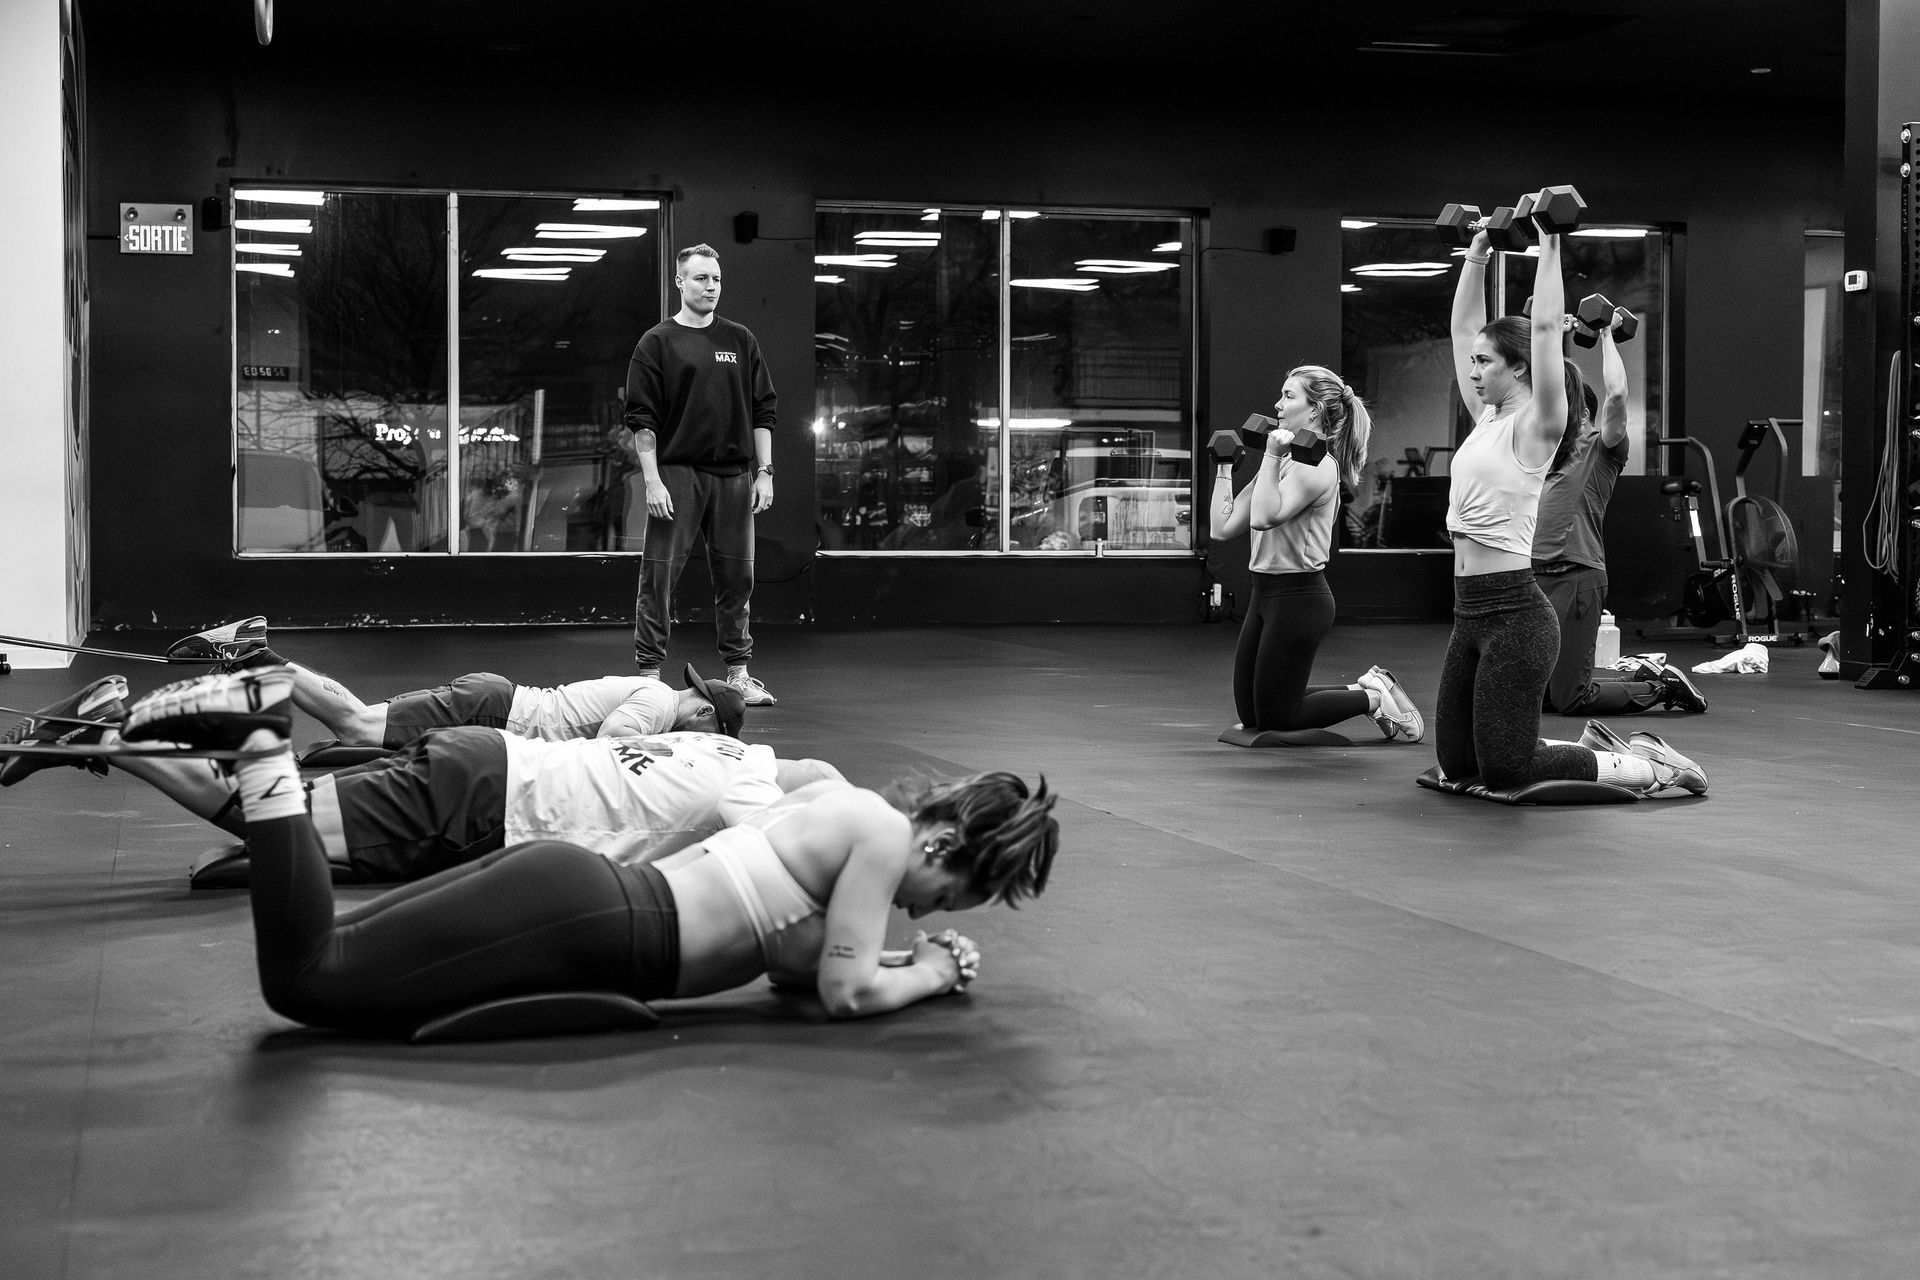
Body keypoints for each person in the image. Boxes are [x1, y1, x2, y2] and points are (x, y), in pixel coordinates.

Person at [117, 667, 1057, 1035]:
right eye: (947, 894)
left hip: (573, 889)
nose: (926, 910)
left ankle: (255, 752)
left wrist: (898, 952)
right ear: (939, 839)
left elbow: (795, 969)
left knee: (328, 957)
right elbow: (846, 994)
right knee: (308, 981)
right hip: (588, 914)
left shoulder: (833, 804)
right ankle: (262, 749)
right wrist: (927, 972)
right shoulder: (884, 840)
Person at [1441, 223, 1705, 795]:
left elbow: (1541, 328)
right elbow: (1462, 328)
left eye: (1485, 362)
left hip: (1515, 613)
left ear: (1519, 370)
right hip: (1469, 613)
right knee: (1458, 764)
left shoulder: (1538, 426)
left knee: (1507, 767)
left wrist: (1550, 240)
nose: (1473, 369)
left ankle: (1642, 765)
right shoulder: (1484, 420)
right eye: (1474, 362)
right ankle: (1576, 747)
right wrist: (1478, 256)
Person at [1208, 367, 1423, 741]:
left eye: (1289, 396)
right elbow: (1221, 527)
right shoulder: (1283, 461)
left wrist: (1271, 457)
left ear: (1314, 410)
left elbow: (1262, 518)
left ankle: (1372, 699)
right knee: (1253, 713)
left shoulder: (1316, 467)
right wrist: (1225, 468)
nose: (1277, 404)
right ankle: (1369, 688)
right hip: (1264, 594)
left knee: (1278, 716)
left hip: (1299, 600)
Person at [162, 617, 746, 749]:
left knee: (361, 722)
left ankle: (259, 655)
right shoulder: (656, 706)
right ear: (701, 717)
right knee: (359, 726)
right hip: (495, 714)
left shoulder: (664, 698)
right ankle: (256, 656)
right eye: (708, 732)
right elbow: (614, 740)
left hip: (496, 701)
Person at [625, 243, 779, 707]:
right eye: (700, 278)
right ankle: (649, 677)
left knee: (738, 577)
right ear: (680, 281)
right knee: (660, 575)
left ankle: (739, 673)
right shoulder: (657, 342)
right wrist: (652, 480)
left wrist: (765, 471)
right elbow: (641, 419)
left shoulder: (740, 340)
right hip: (677, 473)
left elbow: (763, 411)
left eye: (715, 279)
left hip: (733, 476)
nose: (710, 287)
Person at [1531, 323, 1708, 716]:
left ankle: (1659, 688)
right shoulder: (1541, 455)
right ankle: (1636, 677)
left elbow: (1617, 395)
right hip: (1533, 579)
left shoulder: (1600, 449)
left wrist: (1606, 335)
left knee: (1570, 699)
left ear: (1579, 411)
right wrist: (1550, 335)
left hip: (1575, 577)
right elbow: (1541, 384)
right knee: (1537, 695)